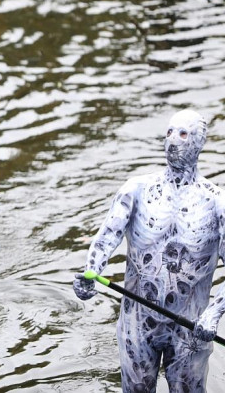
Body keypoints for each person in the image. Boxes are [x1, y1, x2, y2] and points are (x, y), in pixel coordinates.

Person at [73, 109, 225, 393]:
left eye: (182, 134)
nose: (173, 141)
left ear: (200, 142)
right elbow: (107, 236)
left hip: (190, 326)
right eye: (169, 133)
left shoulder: (216, 203)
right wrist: (90, 273)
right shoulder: (137, 190)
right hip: (137, 322)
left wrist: (213, 315)